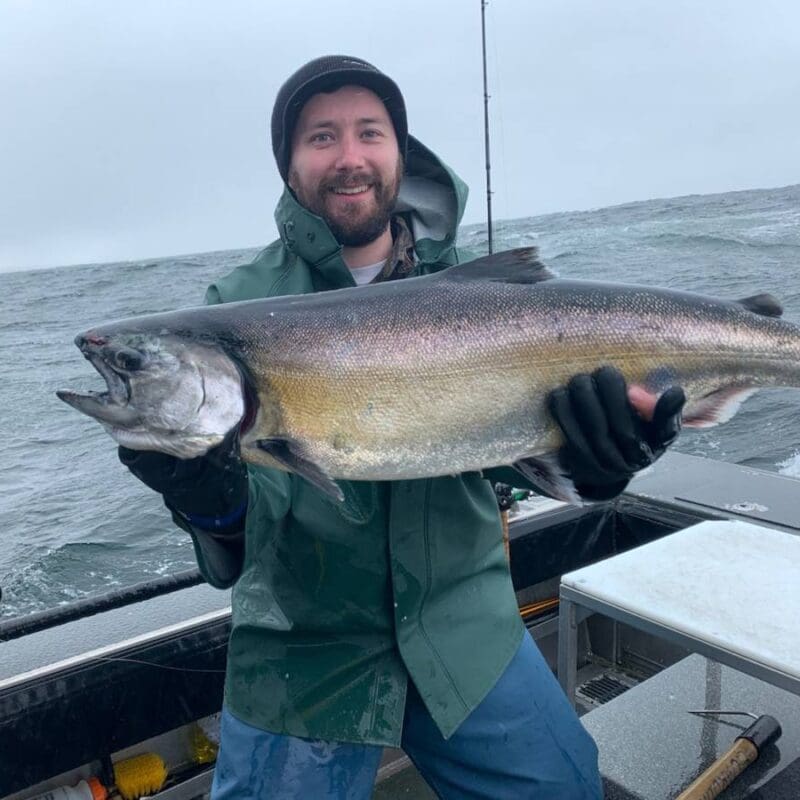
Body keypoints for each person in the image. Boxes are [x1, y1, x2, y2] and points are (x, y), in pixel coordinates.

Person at [120, 56, 685, 799]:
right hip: (304, 648)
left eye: (369, 133)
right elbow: (244, 537)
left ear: (398, 150)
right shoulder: (236, 308)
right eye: (321, 137)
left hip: (465, 624)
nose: (349, 157)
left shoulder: (477, 285)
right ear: (289, 167)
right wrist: (210, 502)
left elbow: (505, 459)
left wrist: (597, 463)